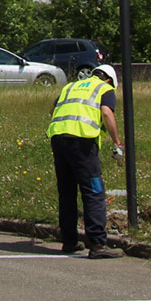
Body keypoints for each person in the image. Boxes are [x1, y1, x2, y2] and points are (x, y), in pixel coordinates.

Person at [46, 63, 126, 258]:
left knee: (67, 191)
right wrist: (117, 143)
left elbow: (52, 111)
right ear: (109, 80)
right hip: (82, 141)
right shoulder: (104, 88)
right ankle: (98, 244)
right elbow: (106, 112)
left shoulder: (70, 86)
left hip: (58, 138)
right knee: (94, 190)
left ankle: (69, 241)